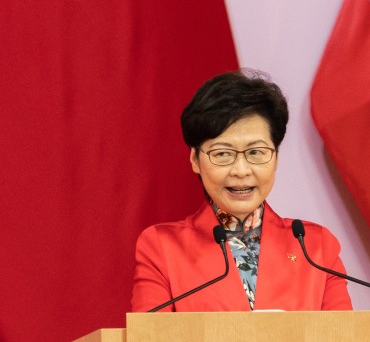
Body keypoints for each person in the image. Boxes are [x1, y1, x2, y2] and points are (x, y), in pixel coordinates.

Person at [131, 68, 352, 312]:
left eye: (255, 152)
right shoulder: (162, 247)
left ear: (276, 158)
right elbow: (149, 336)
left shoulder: (315, 247)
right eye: (222, 154)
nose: (241, 170)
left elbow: (341, 335)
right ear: (195, 159)